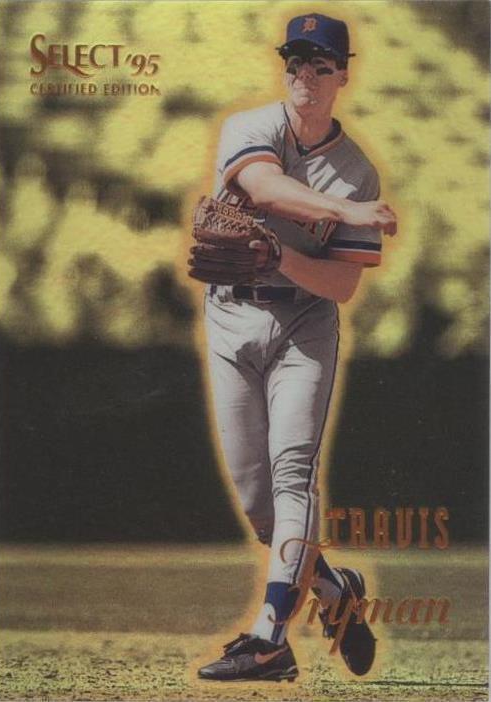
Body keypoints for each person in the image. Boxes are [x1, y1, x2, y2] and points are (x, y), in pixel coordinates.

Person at [196, 12, 397, 683]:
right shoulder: (250, 127)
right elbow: (261, 186)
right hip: (230, 320)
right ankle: (335, 592)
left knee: (293, 476)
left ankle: (269, 640)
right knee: (260, 504)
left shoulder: (357, 172)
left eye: (321, 65)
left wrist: (279, 254)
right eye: (296, 62)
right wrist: (343, 213)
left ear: (343, 76)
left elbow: (340, 285)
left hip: (303, 327)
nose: (305, 75)